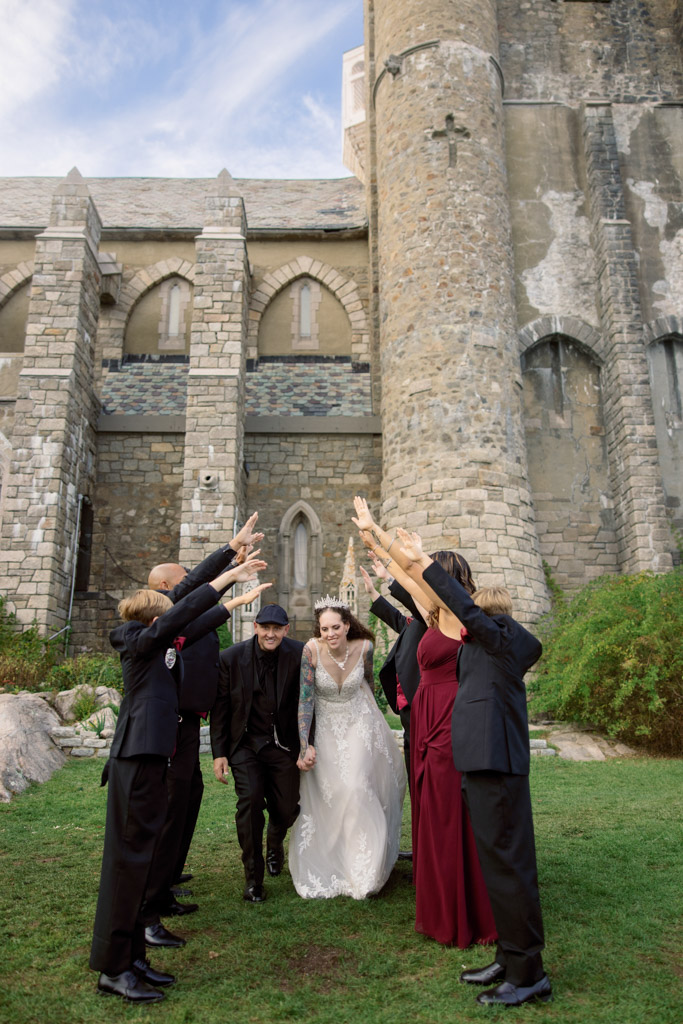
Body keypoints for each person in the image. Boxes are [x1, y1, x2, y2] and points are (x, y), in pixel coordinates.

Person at [90, 556, 270, 1003]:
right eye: (165, 612)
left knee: (143, 860)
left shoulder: (155, 642)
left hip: (152, 761)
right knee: (127, 865)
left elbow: (190, 613)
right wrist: (226, 579)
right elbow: (183, 610)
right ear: (154, 615)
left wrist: (235, 597)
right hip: (135, 762)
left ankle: (133, 959)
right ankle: (113, 968)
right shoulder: (134, 638)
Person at [395, 527, 552, 1007]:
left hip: (495, 766)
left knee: (510, 868)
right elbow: (442, 608)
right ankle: (509, 956)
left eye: (475, 613)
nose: (465, 620)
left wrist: (422, 559)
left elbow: (459, 606)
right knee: (496, 865)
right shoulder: (489, 645)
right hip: (479, 764)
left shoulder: (501, 642)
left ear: (492, 618)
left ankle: (529, 974)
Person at [352, 500, 495, 948]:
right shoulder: (435, 614)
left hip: (449, 719)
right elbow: (410, 581)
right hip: (427, 716)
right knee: (433, 809)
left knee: (450, 812)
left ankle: (463, 912)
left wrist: (383, 534)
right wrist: (377, 541)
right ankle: (440, 904)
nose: (424, 579)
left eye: (434, 574)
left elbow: (419, 574)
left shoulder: (458, 614)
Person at [141, 514, 264, 946]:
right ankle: (151, 900)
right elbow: (197, 596)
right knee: (170, 806)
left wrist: (235, 578)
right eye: (182, 583)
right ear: (163, 592)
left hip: (189, 721)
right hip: (169, 727)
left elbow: (207, 610)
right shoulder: (154, 629)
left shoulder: (179, 623)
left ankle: (167, 880)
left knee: (187, 800)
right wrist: (230, 556)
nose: (189, 586)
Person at [290, 596, 406, 899]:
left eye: (335, 627)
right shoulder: (310, 651)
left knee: (357, 787)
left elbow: (367, 682)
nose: (330, 634)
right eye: (324, 628)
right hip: (327, 724)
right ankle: (334, 857)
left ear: (347, 625)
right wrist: (305, 744)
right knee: (334, 792)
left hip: (359, 721)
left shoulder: (365, 648)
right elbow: (305, 699)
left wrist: (376, 722)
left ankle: (365, 868)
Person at [210, 604, 305, 903]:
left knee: (288, 807)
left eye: (277, 628)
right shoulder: (231, 658)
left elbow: (308, 702)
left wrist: (308, 742)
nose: (271, 633)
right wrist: (219, 753)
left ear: (286, 630)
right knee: (250, 802)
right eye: (265, 627)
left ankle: (274, 843)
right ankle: (253, 878)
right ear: (255, 627)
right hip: (245, 744)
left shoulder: (301, 653)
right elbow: (221, 709)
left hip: (283, 745)